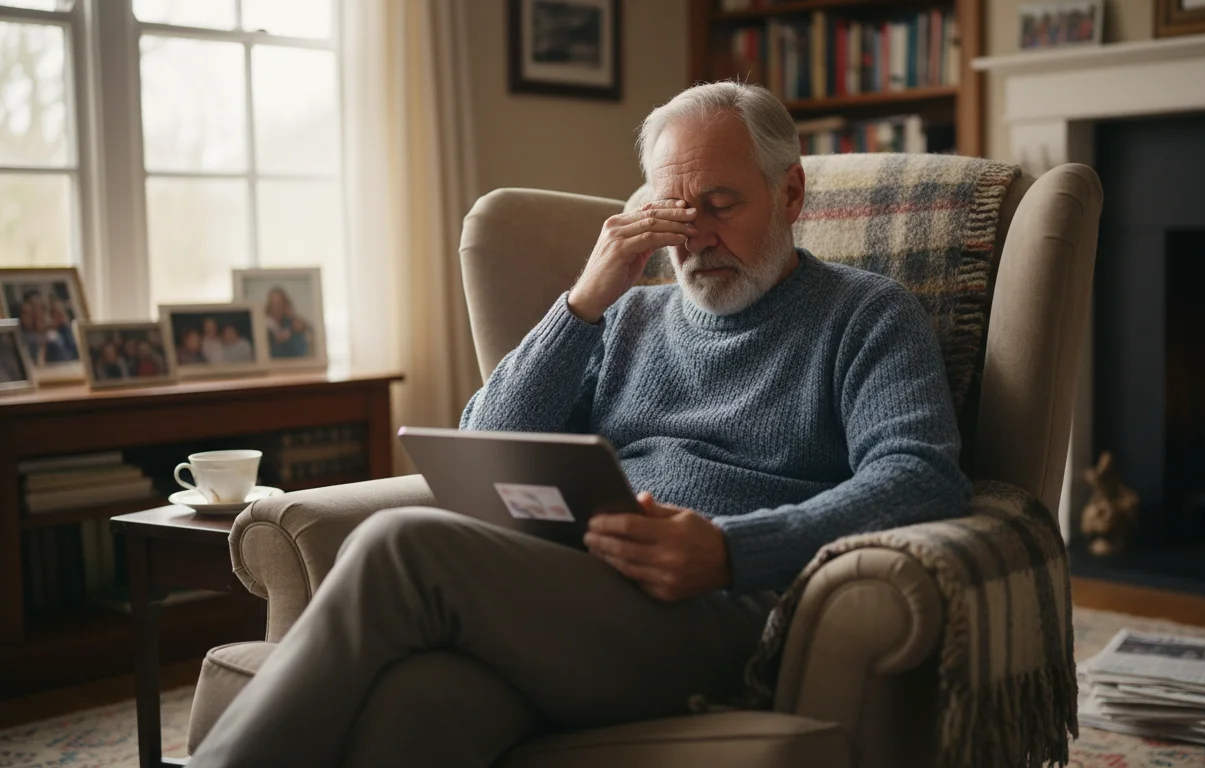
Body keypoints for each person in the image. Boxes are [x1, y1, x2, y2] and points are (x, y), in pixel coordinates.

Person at [191, 82, 970, 767]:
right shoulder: (625, 318)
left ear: (790, 194)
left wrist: (732, 551)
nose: (693, 235)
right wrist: (584, 302)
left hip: (729, 611)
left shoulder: (866, 315)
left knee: (398, 542)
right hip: (576, 599)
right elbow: (479, 445)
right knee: (421, 702)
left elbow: (921, 477)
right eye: (673, 208)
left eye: (720, 204)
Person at [264, 287, 311, 358]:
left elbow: (306, 328)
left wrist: (293, 317)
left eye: (279, 304)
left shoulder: (289, 320)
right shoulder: (264, 323)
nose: (276, 308)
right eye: (273, 304)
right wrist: (275, 340)